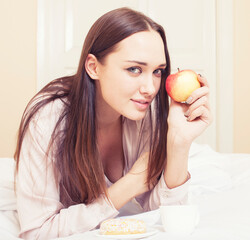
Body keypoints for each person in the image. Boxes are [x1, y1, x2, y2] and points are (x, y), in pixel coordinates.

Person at [14, 7, 212, 239]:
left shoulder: (145, 110)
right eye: (134, 69)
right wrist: (131, 184)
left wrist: (179, 144)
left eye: (157, 71)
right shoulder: (48, 118)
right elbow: (37, 231)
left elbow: (167, 214)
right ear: (93, 67)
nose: (149, 88)